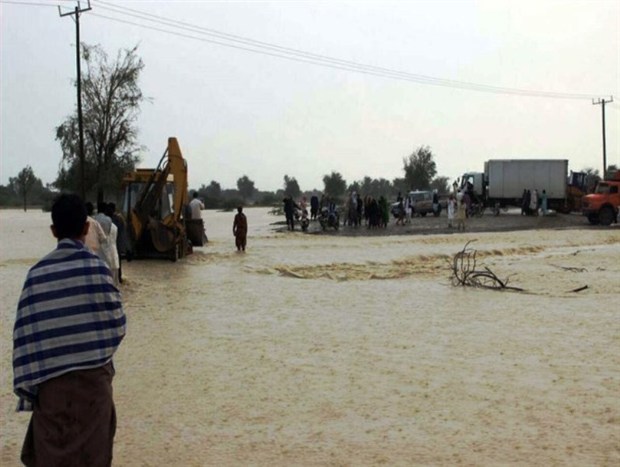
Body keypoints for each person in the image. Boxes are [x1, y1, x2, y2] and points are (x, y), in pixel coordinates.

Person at [12, 193, 126, 466]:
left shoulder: (36, 275)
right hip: (94, 394)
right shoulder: (99, 270)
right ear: (87, 228)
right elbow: (118, 325)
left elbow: (25, 339)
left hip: (53, 399)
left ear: (53, 230)